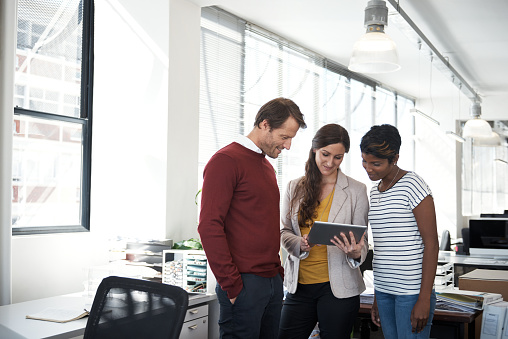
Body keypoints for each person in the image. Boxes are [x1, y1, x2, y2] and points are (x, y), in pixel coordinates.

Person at [198, 97, 307, 339]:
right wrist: (232, 284)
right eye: (284, 137)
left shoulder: (266, 166)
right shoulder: (226, 160)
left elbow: (264, 226)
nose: (288, 145)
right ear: (265, 125)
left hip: (270, 282)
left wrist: (277, 273)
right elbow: (209, 226)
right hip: (244, 283)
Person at [279, 123, 369, 339]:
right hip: (298, 286)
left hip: (339, 288)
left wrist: (355, 252)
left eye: (338, 157)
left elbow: (362, 241)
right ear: (314, 150)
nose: (330, 163)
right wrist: (299, 243)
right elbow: (283, 232)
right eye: (325, 154)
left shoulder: (356, 190)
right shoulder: (294, 187)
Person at [360, 124, 439, 338]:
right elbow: (383, 247)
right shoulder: (375, 192)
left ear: (394, 158)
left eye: (375, 164)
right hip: (384, 289)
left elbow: (432, 244)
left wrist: (424, 298)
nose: (368, 168)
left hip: (412, 292)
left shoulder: (413, 185)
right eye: (364, 161)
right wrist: (377, 296)